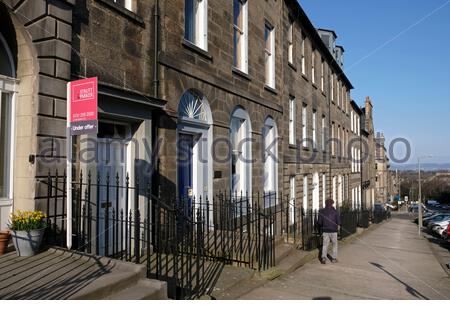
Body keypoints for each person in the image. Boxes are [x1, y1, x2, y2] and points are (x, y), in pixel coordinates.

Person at [317, 198, 341, 264]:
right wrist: (338, 228)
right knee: (334, 244)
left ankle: (323, 258)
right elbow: (338, 222)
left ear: (325, 204)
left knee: (325, 244)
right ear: (332, 204)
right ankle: (333, 258)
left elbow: (319, 222)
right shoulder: (335, 212)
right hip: (333, 230)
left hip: (325, 230)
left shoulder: (321, 211)